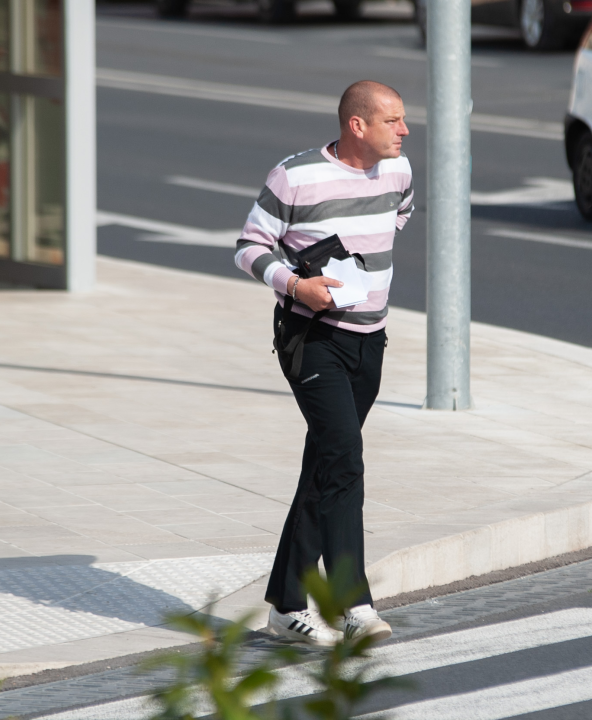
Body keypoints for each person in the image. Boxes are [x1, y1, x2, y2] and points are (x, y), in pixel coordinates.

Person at [234, 81, 414, 646]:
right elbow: (248, 247)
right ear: (356, 126)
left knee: (325, 463)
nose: (404, 131)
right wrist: (296, 283)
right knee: (344, 460)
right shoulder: (294, 176)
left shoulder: (399, 172)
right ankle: (352, 604)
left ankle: (286, 609)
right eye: (393, 121)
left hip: (370, 340)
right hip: (311, 338)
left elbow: (396, 219)